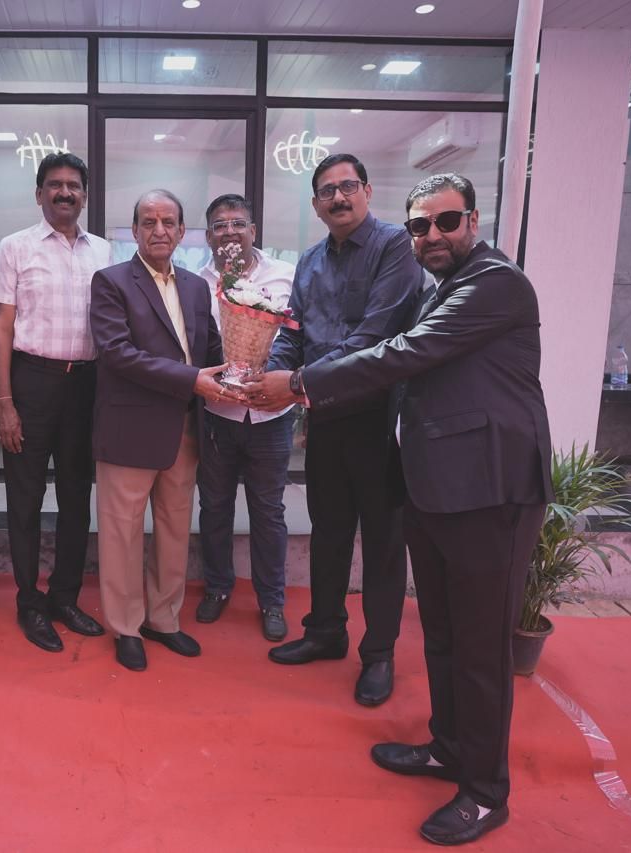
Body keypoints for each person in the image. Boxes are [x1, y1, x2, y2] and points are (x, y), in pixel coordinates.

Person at [245, 173, 552, 845]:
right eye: (419, 225)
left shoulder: (494, 283)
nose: (432, 235)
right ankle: (449, 747)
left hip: (492, 490)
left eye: (446, 221)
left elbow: (403, 352)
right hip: (437, 484)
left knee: (481, 648)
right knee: (442, 635)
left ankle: (485, 791)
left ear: (473, 221)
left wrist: (298, 384)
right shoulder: (437, 285)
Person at [256, 153, 420, 707]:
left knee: (382, 541)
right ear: (315, 204)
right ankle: (325, 631)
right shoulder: (308, 261)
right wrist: (269, 371)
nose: (338, 197)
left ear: (367, 191)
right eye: (327, 191)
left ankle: (379, 653)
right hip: (323, 415)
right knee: (327, 531)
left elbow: (374, 338)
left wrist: (292, 383)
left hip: (378, 418)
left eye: (348, 186)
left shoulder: (395, 247)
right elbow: (293, 330)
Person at [89, 189, 227, 672]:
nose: (159, 230)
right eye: (148, 222)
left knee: (173, 530)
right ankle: (126, 626)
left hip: (185, 427)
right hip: (129, 427)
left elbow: (209, 348)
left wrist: (243, 370)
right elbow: (117, 353)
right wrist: (192, 380)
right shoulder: (110, 282)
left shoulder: (196, 287)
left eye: (169, 222)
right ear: (135, 230)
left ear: (183, 231)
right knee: (122, 534)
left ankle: (163, 619)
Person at [0, 152, 109, 652]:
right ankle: (28, 600)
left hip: (86, 386)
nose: (65, 192)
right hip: (31, 383)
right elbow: (1, 327)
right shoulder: (15, 248)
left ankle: (64, 597)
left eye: (74, 185)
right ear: (39, 193)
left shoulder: (104, 252)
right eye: (55, 185)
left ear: (85, 195)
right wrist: (4, 401)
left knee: (77, 498)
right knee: (25, 498)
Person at [192, 193, 297, 641]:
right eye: (220, 226)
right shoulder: (197, 282)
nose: (229, 232)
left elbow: (298, 336)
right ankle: (217, 587)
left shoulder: (285, 275)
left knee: (268, 511)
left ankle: (272, 599)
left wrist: (275, 376)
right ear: (208, 236)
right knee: (214, 506)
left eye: (238, 224)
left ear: (253, 230)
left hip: (271, 415)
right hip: (217, 414)